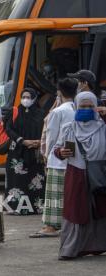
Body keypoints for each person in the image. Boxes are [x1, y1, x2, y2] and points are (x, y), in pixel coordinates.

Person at [54, 91, 106, 260]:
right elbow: (57, 149)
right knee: (76, 212)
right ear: (76, 106)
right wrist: (61, 152)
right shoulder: (69, 127)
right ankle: (71, 249)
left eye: (90, 106)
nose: (86, 109)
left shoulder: (103, 126)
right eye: (82, 106)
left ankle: (99, 245)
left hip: (100, 174)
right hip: (76, 174)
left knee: (100, 209)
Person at [30, 79, 77, 238]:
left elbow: (51, 136)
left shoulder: (58, 111)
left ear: (59, 92)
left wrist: (46, 154)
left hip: (57, 159)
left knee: (54, 195)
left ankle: (51, 226)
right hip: (72, 158)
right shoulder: (76, 108)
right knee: (68, 194)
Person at [5, 88, 45, 215]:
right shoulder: (14, 112)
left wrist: (39, 141)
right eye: (24, 97)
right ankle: (16, 207)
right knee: (17, 180)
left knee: (34, 179)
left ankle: (35, 207)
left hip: (35, 152)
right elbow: (8, 129)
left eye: (29, 97)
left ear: (34, 98)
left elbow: (46, 129)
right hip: (17, 152)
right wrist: (22, 140)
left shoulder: (41, 113)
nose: (26, 100)